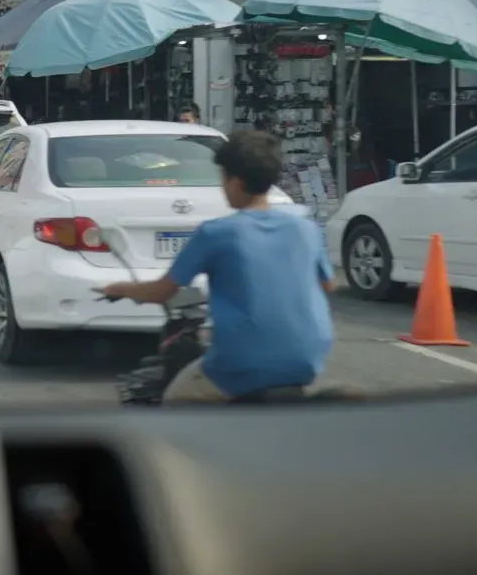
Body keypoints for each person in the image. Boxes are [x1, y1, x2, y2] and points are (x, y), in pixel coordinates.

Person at [97, 130, 335, 403]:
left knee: (174, 398)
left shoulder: (216, 233)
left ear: (236, 181)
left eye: (223, 178)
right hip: (307, 358)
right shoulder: (306, 228)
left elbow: (162, 292)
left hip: (239, 362)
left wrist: (121, 289)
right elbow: (327, 284)